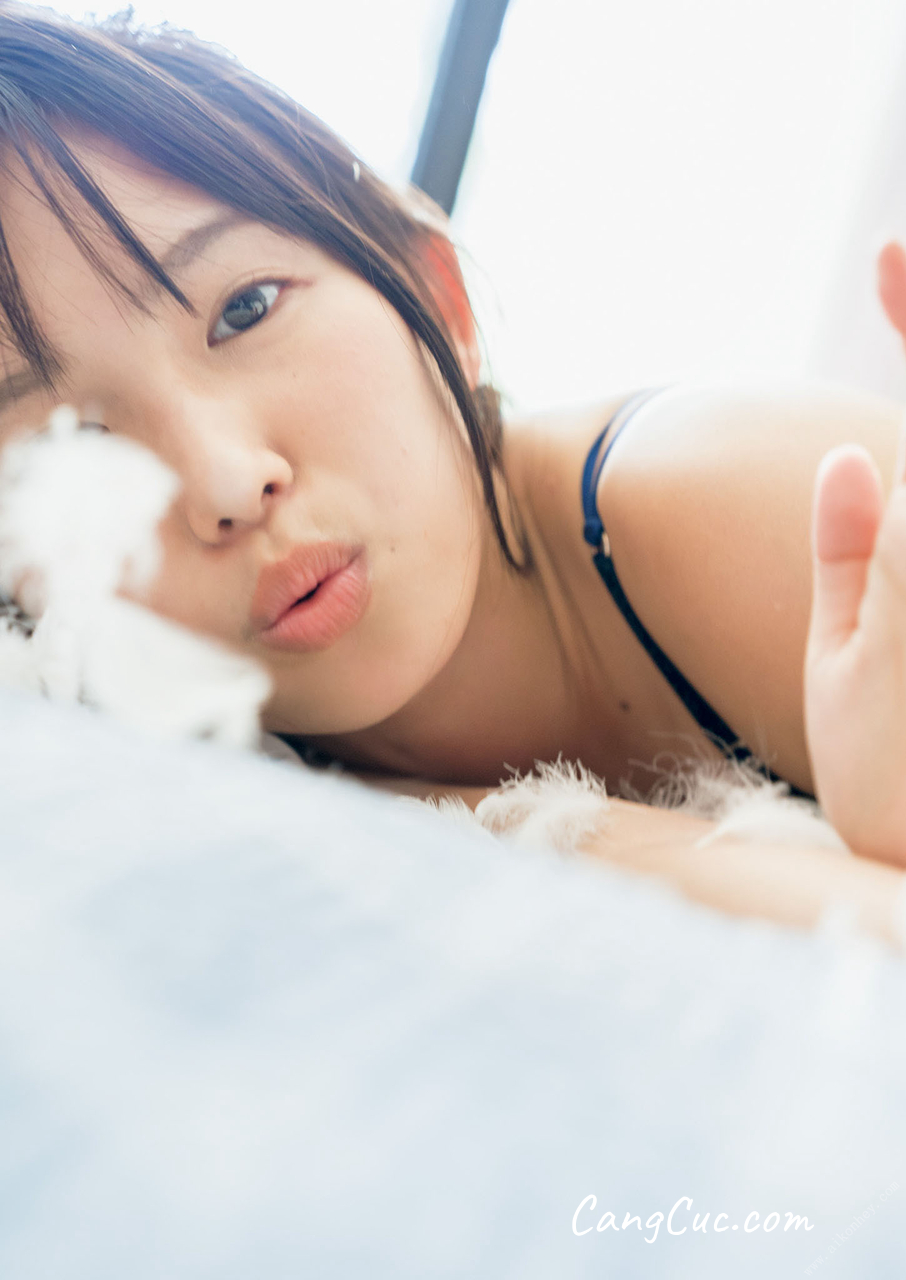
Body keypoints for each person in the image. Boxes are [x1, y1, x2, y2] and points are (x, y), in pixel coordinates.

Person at [0, 4, 905, 941]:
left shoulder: (717, 493)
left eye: (247, 309)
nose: (228, 483)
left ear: (439, 294)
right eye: (70, 443)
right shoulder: (173, 794)